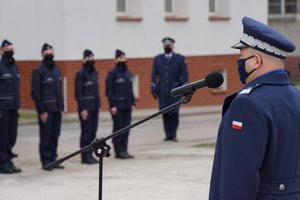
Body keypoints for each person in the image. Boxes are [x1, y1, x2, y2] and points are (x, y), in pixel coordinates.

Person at [209, 16, 300, 200]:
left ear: (256, 61)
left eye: (242, 57)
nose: (239, 63)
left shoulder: (248, 104)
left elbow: (238, 182)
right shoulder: (296, 96)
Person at [31, 43, 64, 171]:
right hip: (46, 111)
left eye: (51, 50)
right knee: (46, 136)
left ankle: (53, 159)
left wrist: (61, 108)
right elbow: (36, 93)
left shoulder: (57, 70)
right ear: (42, 54)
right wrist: (41, 111)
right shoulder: (38, 71)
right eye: (47, 51)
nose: (49, 53)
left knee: (55, 135)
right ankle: (46, 161)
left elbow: (59, 91)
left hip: (56, 110)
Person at [151, 37, 188, 142]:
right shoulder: (158, 59)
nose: (167, 47)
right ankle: (167, 134)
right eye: (166, 46)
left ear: (172, 46)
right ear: (163, 46)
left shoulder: (180, 58)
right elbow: (154, 74)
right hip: (163, 90)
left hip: (176, 90)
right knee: (165, 113)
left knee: (174, 112)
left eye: (169, 45)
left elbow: (184, 75)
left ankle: (173, 134)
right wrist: (153, 88)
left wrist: (185, 89)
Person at [105, 49, 135, 159]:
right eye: (121, 58)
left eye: (124, 57)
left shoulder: (128, 73)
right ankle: (119, 151)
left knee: (127, 128)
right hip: (117, 106)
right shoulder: (112, 73)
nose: (123, 60)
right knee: (118, 129)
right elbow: (109, 90)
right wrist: (112, 105)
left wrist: (132, 103)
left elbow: (131, 90)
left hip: (127, 106)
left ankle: (125, 150)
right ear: (116, 59)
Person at [75, 49, 100, 164]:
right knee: (86, 132)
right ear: (84, 59)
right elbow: (78, 93)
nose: (91, 60)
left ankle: (90, 153)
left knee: (93, 132)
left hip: (94, 107)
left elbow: (96, 91)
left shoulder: (95, 72)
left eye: (92, 58)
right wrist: (82, 108)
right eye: (88, 58)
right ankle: (85, 156)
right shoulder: (80, 73)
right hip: (86, 108)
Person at [0, 39, 22, 174]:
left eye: (11, 48)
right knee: (2, 136)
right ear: (1, 51)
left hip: (14, 107)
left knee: (11, 136)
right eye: (7, 48)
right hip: (3, 108)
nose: (10, 50)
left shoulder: (15, 67)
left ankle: (8, 159)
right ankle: (4, 163)